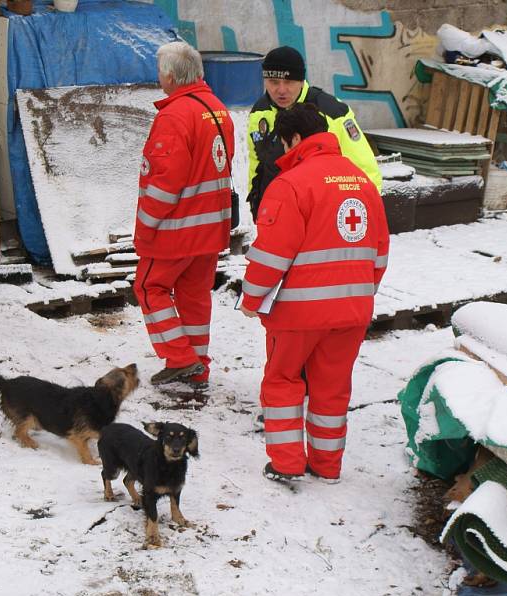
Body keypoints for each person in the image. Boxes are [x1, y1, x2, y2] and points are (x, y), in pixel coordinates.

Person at [239, 103, 389, 483]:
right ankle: (327, 466)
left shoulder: (289, 184)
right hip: (352, 311)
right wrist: (360, 294)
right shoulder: (361, 181)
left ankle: (287, 464)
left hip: (298, 314)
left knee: (283, 381)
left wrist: (252, 298)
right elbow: (380, 250)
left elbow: (272, 253)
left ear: (295, 139)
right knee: (332, 388)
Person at [133, 41, 235, 386]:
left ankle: (180, 357)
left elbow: (164, 183)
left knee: (149, 287)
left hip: (176, 230)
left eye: (160, 71)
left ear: (171, 76)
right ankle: (198, 365)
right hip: (211, 228)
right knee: (194, 295)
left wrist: (145, 229)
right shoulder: (217, 109)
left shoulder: (175, 116)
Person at [246, 45, 381, 222]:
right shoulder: (259, 112)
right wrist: (257, 203)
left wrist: (367, 214)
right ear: (264, 80)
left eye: (289, 82)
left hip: (321, 217)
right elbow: (257, 163)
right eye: (274, 82)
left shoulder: (332, 111)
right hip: (275, 215)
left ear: (301, 81)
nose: (281, 90)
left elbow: (364, 168)